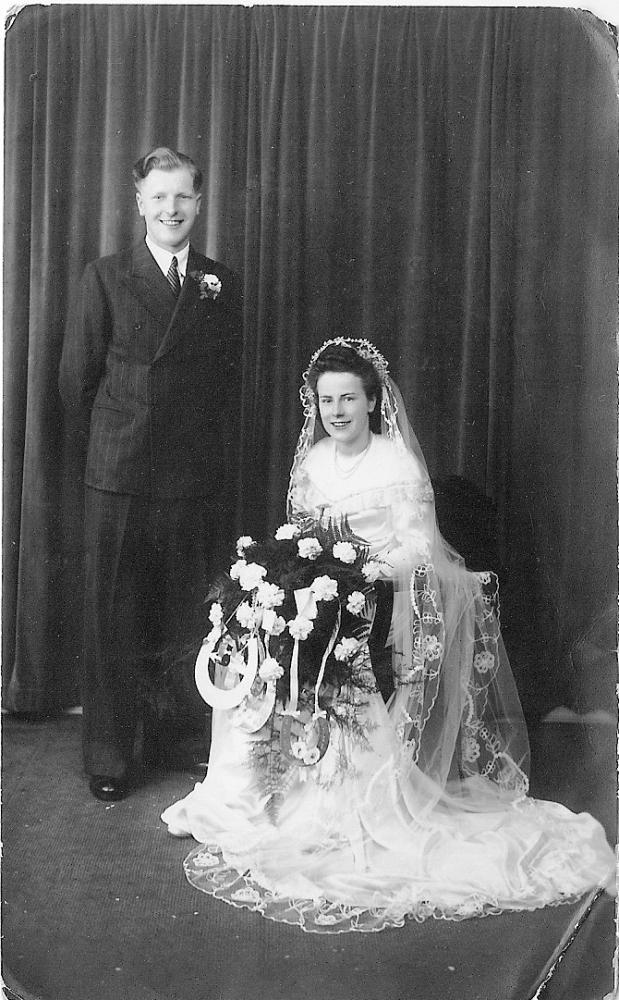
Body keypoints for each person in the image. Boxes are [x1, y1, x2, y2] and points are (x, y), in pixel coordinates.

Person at [161, 338, 614, 933]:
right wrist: (311, 577)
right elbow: (301, 536)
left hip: (383, 597)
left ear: (373, 402)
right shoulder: (313, 462)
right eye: (327, 401)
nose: (337, 411)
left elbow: (418, 548)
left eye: (349, 398)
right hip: (329, 597)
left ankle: (353, 800)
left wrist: (360, 573)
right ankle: (272, 788)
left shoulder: (395, 463)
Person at [59, 147, 243, 801]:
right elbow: (76, 383)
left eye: (182, 198)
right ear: (139, 203)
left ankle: (179, 743)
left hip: (190, 478)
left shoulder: (219, 283)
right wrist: (114, 450)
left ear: (199, 204)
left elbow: (226, 388)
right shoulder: (105, 277)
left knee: (186, 618)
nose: (170, 209)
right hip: (120, 477)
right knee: (114, 618)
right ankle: (109, 756)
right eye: (158, 197)